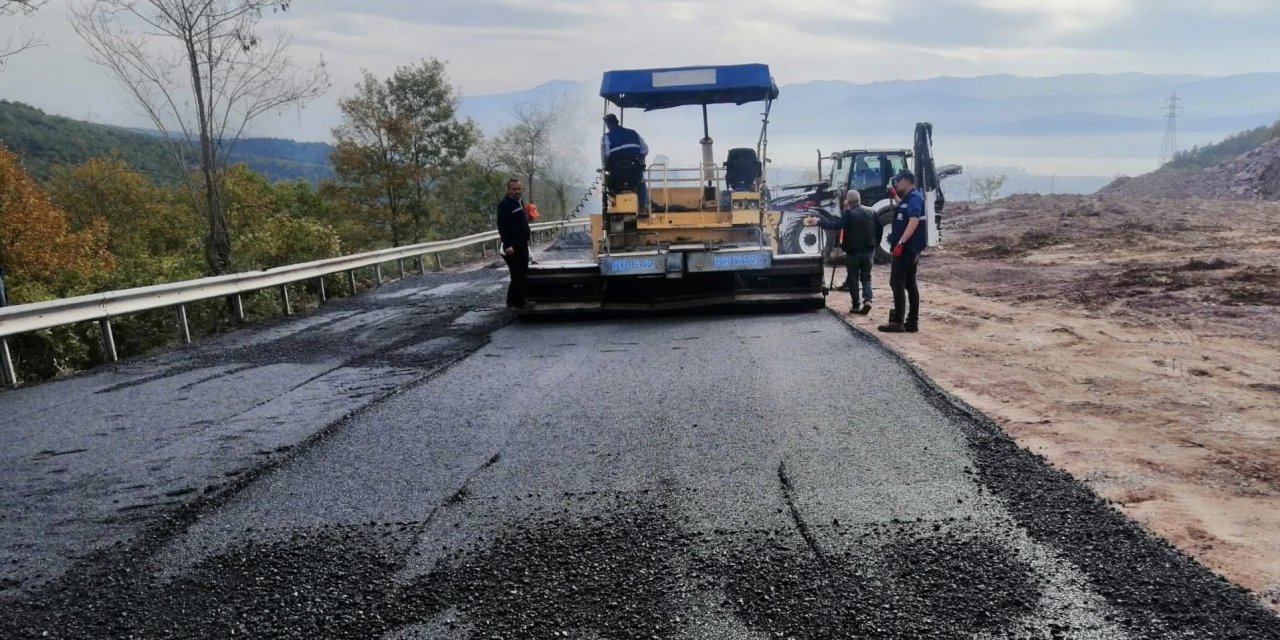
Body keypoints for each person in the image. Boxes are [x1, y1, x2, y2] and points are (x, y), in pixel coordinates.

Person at [804, 190, 882, 314]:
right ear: (859, 199)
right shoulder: (871, 211)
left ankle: (856, 305)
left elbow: (837, 225)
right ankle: (868, 300)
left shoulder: (849, 213)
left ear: (848, 201)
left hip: (853, 252)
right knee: (866, 277)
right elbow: (880, 228)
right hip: (868, 251)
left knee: (853, 278)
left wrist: (819, 222)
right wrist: (875, 244)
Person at [879, 170, 927, 333]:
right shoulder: (909, 198)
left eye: (898, 182)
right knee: (909, 283)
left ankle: (898, 321)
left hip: (907, 249)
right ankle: (912, 322)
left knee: (896, 282)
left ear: (906, 181)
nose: (896, 184)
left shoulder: (914, 197)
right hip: (909, 248)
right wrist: (895, 197)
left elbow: (913, 220)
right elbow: (905, 211)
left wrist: (900, 243)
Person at [496, 178, 532, 309]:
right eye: (514, 189)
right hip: (513, 246)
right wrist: (507, 245)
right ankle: (515, 302)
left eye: (519, 189)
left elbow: (519, 223)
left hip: (522, 244)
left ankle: (517, 300)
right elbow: (503, 226)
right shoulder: (505, 204)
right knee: (517, 274)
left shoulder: (519, 202)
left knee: (522, 273)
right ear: (508, 190)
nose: (517, 191)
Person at [601, 113, 649, 209]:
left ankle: (614, 205)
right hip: (634, 173)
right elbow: (645, 150)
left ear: (607, 125)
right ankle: (644, 205)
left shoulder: (606, 137)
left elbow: (605, 155)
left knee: (607, 186)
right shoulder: (633, 133)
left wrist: (605, 166)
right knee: (641, 183)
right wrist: (640, 159)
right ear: (617, 122)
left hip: (616, 176)